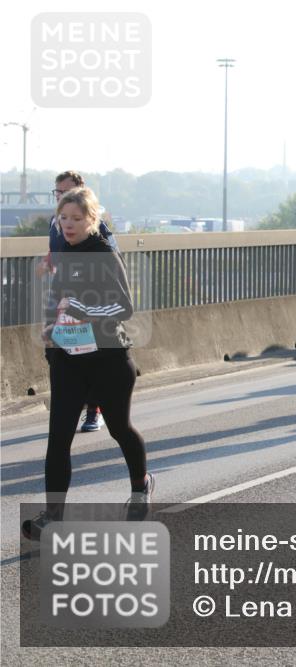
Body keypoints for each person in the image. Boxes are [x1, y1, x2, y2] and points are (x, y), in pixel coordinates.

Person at [23, 187, 153, 541]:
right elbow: (57, 297)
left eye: (76, 219)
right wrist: (51, 332)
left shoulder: (104, 254)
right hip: (70, 360)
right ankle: (52, 516)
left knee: (119, 429)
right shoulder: (63, 251)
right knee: (58, 438)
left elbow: (124, 307)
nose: (68, 224)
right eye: (62, 218)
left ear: (91, 219)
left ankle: (140, 487)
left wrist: (86, 311)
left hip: (109, 359)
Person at [37, 171, 118, 433]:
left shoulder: (98, 223)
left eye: (66, 192)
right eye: (58, 192)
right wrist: (48, 261)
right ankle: (70, 403)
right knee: (55, 349)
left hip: (87, 296)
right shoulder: (55, 221)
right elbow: (56, 248)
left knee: (87, 350)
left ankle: (94, 410)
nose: (61, 196)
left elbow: (114, 257)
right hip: (59, 293)